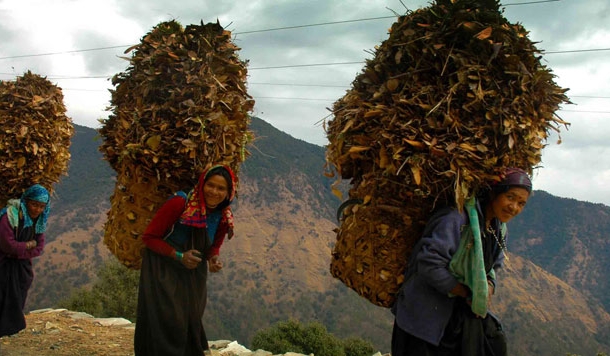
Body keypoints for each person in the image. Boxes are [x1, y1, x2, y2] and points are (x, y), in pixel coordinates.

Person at [391, 167, 532, 356]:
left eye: (521, 203)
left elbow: (493, 265)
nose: (514, 207)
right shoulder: (456, 219)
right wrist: (466, 292)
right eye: (511, 197)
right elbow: (429, 264)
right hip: (424, 322)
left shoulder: (498, 230)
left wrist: (488, 285)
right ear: (494, 193)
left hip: (459, 322)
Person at [134, 165, 237, 356]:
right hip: (163, 267)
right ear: (202, 184)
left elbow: (213, 245)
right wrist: (179, 256)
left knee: (191, 318)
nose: (214, 192)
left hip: (193, 271)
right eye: (210, 185)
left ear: (229, 192)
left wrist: (213, 258)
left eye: (221, 188)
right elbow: (149, 238)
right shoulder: (180, 203)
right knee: (169, 319)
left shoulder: (224, 215)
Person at [0, 184, 50, 337]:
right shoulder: (9, 216)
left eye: (41, 206)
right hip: (3, 263)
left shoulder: (39, 221)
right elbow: (8, 245)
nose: (37, 210)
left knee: (18, 294)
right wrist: (27, 245)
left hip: (21, 266)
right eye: (34, 204)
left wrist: (21, 250)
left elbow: (39, 246)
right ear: (26, 201)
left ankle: (10, 328)